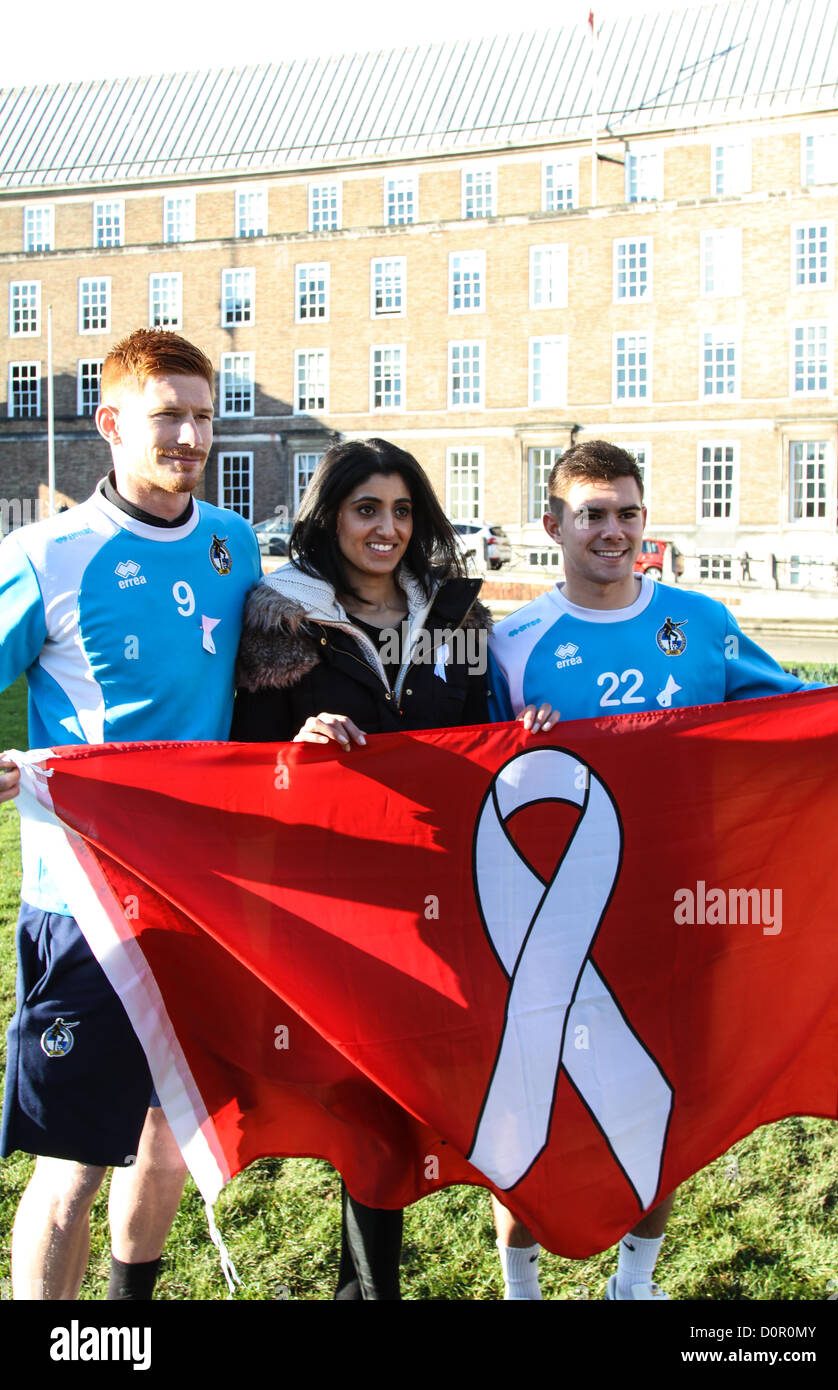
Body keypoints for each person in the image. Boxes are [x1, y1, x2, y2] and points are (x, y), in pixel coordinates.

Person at [486, 438, 815, 1301]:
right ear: (552, 523)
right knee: (534, 1104)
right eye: (592, 514)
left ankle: (634, 1285)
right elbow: (466, 779)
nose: (613, 530)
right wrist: (515, 748)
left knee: (656, 1105)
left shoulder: (699, 622)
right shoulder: (512, 643)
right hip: (555, 922)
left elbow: (790, 714)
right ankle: (521, 1291)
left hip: (674, 908)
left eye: (627, 512)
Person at [232, 436, 556, 1299]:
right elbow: (244, 759)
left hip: (449, 886)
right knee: (370, 1097)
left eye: (403, 510)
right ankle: (368, 1291)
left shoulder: (457, 613)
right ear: (330, 515)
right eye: (366, 508)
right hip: (344, 894)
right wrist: (296, 748)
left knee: (459, 1082)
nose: (386, 528)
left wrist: (525, 733)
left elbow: (481, 733)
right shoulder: (278, 615)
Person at [0, 328, 261, 1300]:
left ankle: (122, 1322)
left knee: (168, 1129)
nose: (189, 435)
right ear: (111, 424)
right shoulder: (46, 554)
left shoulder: (234, 545)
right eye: (167, 416)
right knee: (73, 1163)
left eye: (202, 415)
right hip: (85, 910)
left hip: (201, 902)